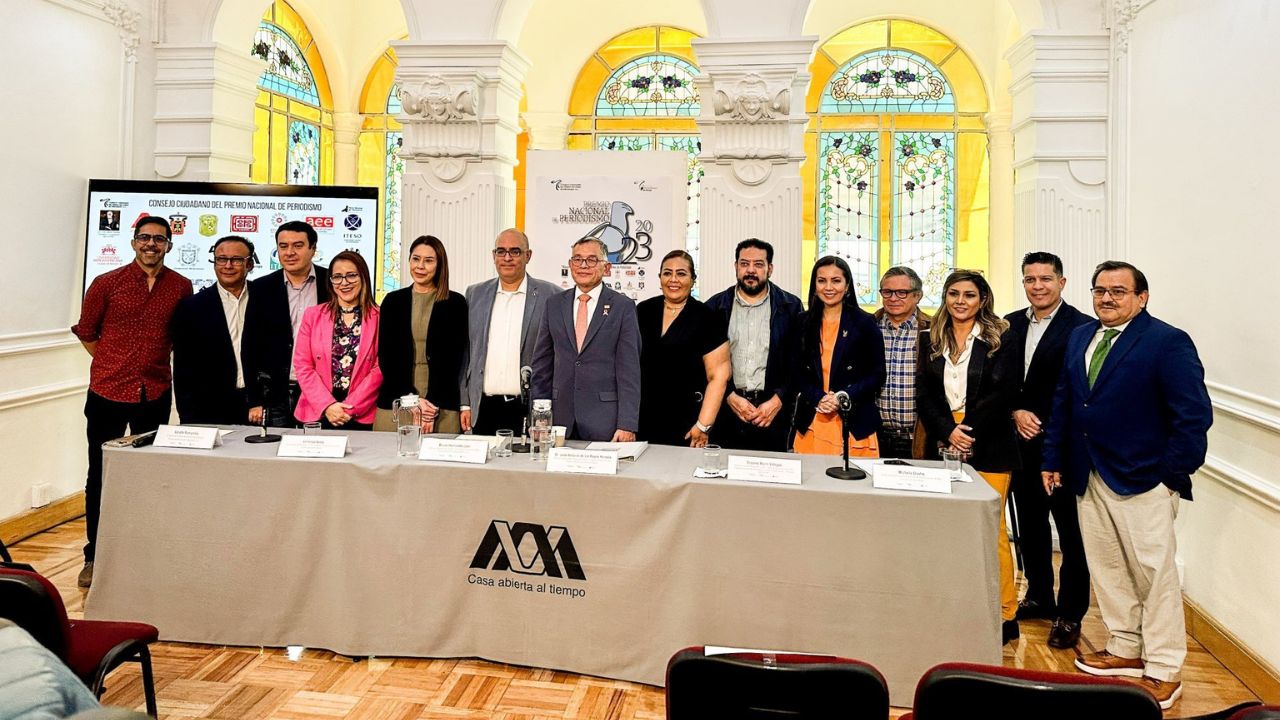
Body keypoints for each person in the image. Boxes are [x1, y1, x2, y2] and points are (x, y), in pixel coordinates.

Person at [1042, 261, 1211, 710]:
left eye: (1118, 291)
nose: (1106, 298)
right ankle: (1124, 646)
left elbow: (1193, 417)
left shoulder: (1167, 342)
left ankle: (1163, 668)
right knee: (1108, 567)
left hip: (1144, 478)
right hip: (1087, 472)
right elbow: (1066, 401)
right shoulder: (1082, 336)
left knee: (1154, 574)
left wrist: (1170, 475)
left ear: (1142, 297)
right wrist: (1053, 458)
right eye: (1100, 290)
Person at [70, 215, 192, 588]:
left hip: (154, 393)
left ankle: (143, 552)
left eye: (159, 239)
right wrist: (113, 360)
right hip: (107, 391)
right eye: (145, 238)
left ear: (169, 245)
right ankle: (95, 556)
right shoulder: (106, 283)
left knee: (148, 476)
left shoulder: (182, 287)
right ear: (133, 242)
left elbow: (180, 337)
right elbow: (88, 332)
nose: (151, 244)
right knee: (100, 476)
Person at [916, 270, 1021, 644]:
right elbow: (924, 394)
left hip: (989, 443)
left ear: (983, 300)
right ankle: (956, 605)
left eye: (969, 295)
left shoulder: (1000, 338)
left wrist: (967, 431)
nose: (961, 301)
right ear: (945, 298)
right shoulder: (930, 337)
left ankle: (1005, 614)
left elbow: (1004, 392)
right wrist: (948, 431)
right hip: (943, 441)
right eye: (953, 294)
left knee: (991, 532)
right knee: (947, 528)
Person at [1004, 252, 1093, 649]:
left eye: (1045, 279)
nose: (1037, 286)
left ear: (1062, 281)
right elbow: (1000, 379)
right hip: (1019, 446)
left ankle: (1069, 615)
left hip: (1062, 447)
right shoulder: (1009, 324)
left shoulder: (1083, 328)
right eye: (1029, 279)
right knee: (1032, 527)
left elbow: (1079, 391)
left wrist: (1038, 417)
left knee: (1073, 537)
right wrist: (1014, 411)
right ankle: (1039, 595)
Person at [530, 237, 641, 441]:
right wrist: (539, 418)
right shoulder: (553, 304)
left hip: (605, 421)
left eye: (591, 260)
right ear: (570, 265)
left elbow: (629, 371)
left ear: (606, 267)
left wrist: (627, 424)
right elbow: (542, 366)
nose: (583, 265)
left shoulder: (622, 307)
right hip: (559, 420)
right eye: (577, 259)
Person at [704, 239, 804, 451]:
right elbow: (704, 364)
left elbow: (798, 363)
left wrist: (778, 400)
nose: (751, 270)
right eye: (744, 264)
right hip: (725, 413)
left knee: (772, 481)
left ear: (770, 268)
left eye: (758, 264)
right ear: (735, 267)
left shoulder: (791, 307)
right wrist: (729, 397)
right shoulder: (714, 307)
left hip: (773, 415)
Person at [461, 229, 558, 436]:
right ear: (493, 255)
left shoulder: (551, 295)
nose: (507, 258)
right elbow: (466, 352)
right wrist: (464, 404)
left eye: (515, 252)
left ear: (528, 256)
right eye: (501, 251)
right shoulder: (474, 294)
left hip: (529, 408)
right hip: (483, 407)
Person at [791, 256, 885, 457]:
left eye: (836, 280)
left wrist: (842, 397)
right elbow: (795, 372)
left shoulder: (865, 322)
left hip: (854, 420)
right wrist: (819, 398)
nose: (828, 287)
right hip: (813, 418)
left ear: (847, 286)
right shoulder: (802, 322)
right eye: (821, 280)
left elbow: (877, 375)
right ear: (814, 285)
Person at [636, 250, 731, 447]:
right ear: (660, 277)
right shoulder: (642, 311)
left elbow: (719, 376)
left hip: (689, 423)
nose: (673, 279)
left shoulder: (708, 317)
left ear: (693, 279)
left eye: (681, 273)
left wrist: (703, 425)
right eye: (667, 273)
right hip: (643, 418)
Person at [376, 236, 468, 434]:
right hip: (398, 397)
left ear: (440, 264)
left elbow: (455, 361)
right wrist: (412, 400)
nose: (420, 266)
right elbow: (386, 357)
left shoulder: (456, 303)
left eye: (428, 261)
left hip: (440, 403)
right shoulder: (393, 302)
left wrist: (430, 407)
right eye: (415, 259)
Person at [243, 220, 330, 427]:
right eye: (283, 246)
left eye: (298, 245)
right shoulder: (261, 288)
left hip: (321, 392)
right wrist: (254, 399)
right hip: (274, 394)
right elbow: (250, 346)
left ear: (313, 249)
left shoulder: (331, 282)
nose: (289, 252)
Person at [171, 236, 257, 425]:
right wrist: (188, 417)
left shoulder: (265, 298)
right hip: (209, 408)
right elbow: (183, 368)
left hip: (258, 407)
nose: (228, 265)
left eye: (236, 260)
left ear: (249, 264)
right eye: (221, 259)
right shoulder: (192, 307)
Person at [293, 251, 382, 431]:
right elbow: (303, 365)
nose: (344, 283)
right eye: (337, 277)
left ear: (363, 277)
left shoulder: (380, 317)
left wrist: (350, 407)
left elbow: (380, 368)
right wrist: (327, 406)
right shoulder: (313, 315)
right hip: (318, 412)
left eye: (351, 275)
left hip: (361, 413)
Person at [873, 266, 931, 458]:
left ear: (918, 296)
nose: (893, 298)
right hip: (874, 437)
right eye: (887, 292)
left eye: (902, 293)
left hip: (920, 439)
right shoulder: (867, 327)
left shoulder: (934, 331)